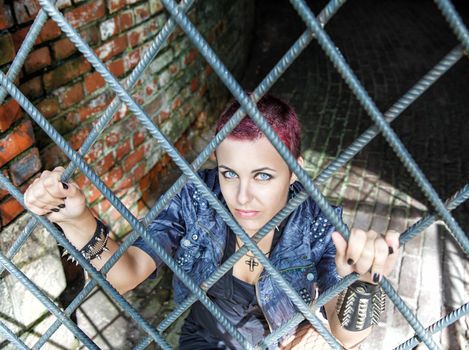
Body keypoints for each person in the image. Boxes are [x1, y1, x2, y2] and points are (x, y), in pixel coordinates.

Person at [24, 94, 400, 349]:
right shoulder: (196, 197)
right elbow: (127, 273)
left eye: (264, 176)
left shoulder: (317, 219)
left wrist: (364, 284)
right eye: (229, 173)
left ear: (295, 173)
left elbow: (346, 337)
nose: (241, 197)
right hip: (204, 337)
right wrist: (76, 219)